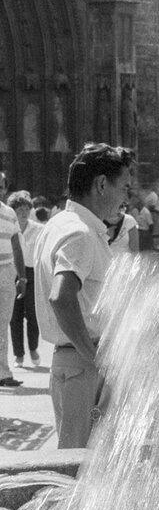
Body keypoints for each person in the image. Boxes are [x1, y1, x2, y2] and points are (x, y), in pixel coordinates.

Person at [34, 142, 134, 448]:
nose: (126, 198)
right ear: (101, 184)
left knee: (81, 459)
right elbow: (61, 297)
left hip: (73, 362)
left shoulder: (59, 225)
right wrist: (95, 358)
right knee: (80, 464)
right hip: (84, 363)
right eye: (124, 188)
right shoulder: (80, 232)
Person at [8, 192, 41, 367]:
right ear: (13, 211)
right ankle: (18, 355)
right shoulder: (9, 227)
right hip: (13, 271)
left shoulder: (38, 229)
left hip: (32, 272)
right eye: (20, 209)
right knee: (15, 316)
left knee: (33, 314)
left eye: (27, 209)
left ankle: (33, 349)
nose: (24, 213)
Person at [0, 172, 26, 387]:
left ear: (5, 189)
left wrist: (22, 277)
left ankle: (3, 373)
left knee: (2, 323)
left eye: (0, 186)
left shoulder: (9, 213)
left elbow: (16, 246)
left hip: (6, 272)